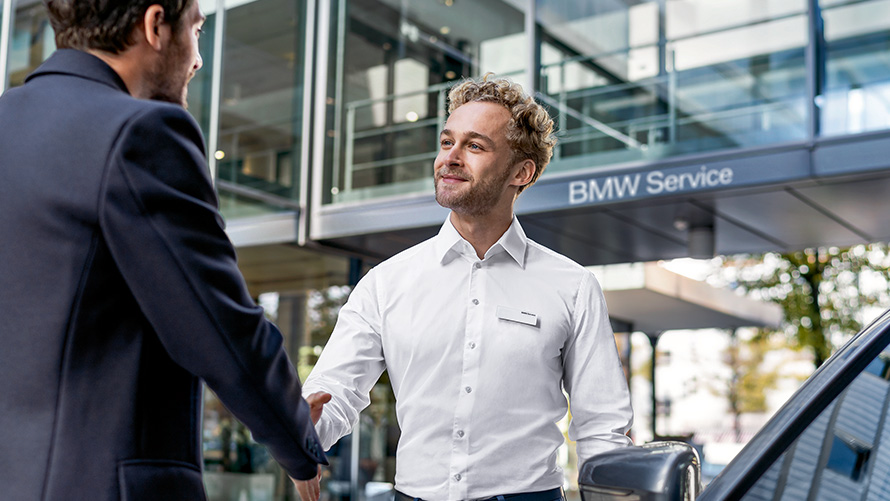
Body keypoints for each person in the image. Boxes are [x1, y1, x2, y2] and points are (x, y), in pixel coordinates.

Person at [0, 1, 326, 500]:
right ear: (155, 26)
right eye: (196, 30)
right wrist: (299, 442)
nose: (197, 58)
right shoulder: (142, 133)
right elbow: (222, 330)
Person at [298, 75, 634, 501]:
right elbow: (337, 391)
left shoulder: (573, 286)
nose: (450, 158)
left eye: (474, 146)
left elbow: (602, 426)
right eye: (446, 143)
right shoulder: (385, 283)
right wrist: (304, 429)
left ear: (521, 172)